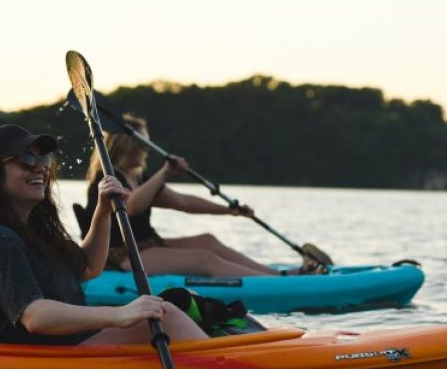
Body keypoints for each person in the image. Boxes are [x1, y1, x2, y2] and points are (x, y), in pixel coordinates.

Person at [0, 124, 208, 346]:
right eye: (26, 160)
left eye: (43, 160)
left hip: (69, 340)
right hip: (46, 352)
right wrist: (119, 315)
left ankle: (234, 350)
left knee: (186, 300)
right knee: (167, 314)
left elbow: (88, 266)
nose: (40, 168)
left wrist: (102, 212)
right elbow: (35, 316)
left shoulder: (35, 231)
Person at [83, 114, 324, 277]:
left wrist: (230, 211)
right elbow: (132, 206)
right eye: (143, 142)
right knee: (204, 258)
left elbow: (184, 202)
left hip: (147, 244)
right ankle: (277, 284)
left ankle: (280, 275)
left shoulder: (141, 178)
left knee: (208, 240)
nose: (147, 147)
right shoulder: (107, 179)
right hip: (121, 256)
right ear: (129, 145)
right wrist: (166, 171)